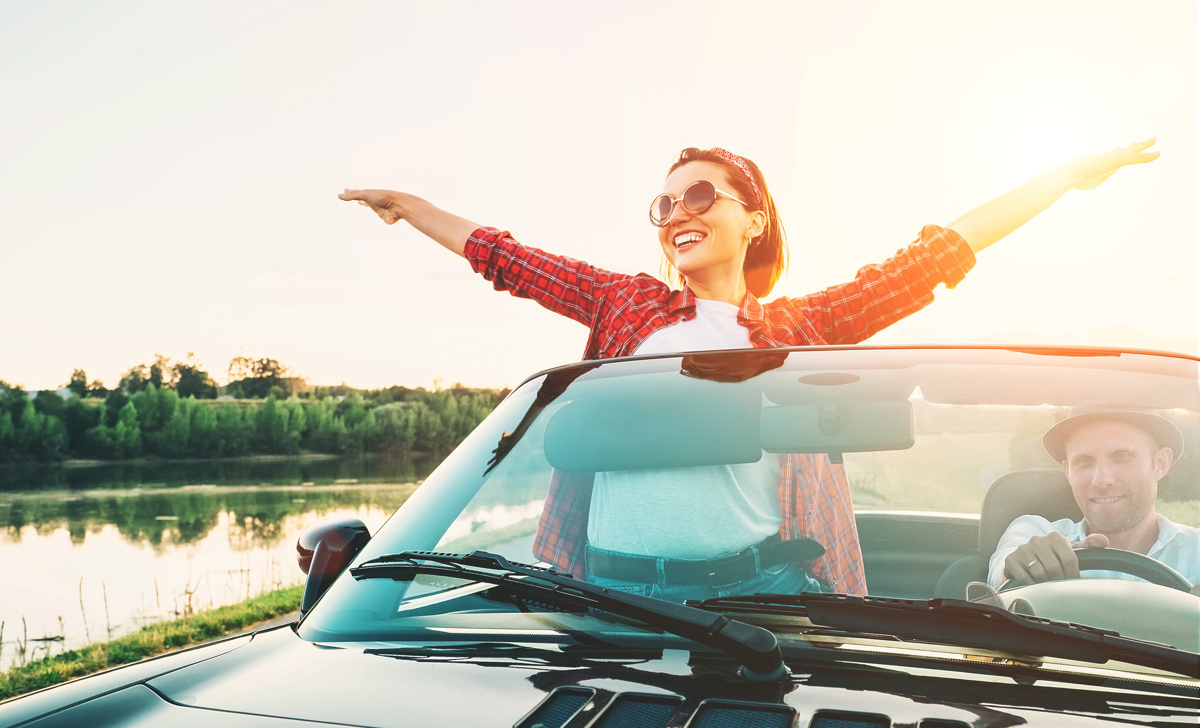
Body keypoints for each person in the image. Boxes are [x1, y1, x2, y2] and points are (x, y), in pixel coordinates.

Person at [342, 141, 1159, 600]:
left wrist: (1060, 179)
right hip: (608, 594)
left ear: (753, 216)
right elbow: (511, 260)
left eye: (701, 195)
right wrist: (412, 209)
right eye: (665, 205)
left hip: (755, 596)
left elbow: (936, 256)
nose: (678, 214)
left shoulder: (801, 324)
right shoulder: (622, 304)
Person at [989, 407, 1200, 587]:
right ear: (1068, 472)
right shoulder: (1034, 531)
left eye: (1122, 456)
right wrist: (1024, 565)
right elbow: (1002, 569)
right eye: (1084, 461)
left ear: (1160, 464)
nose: (1101, 480)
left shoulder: (1196, 550)